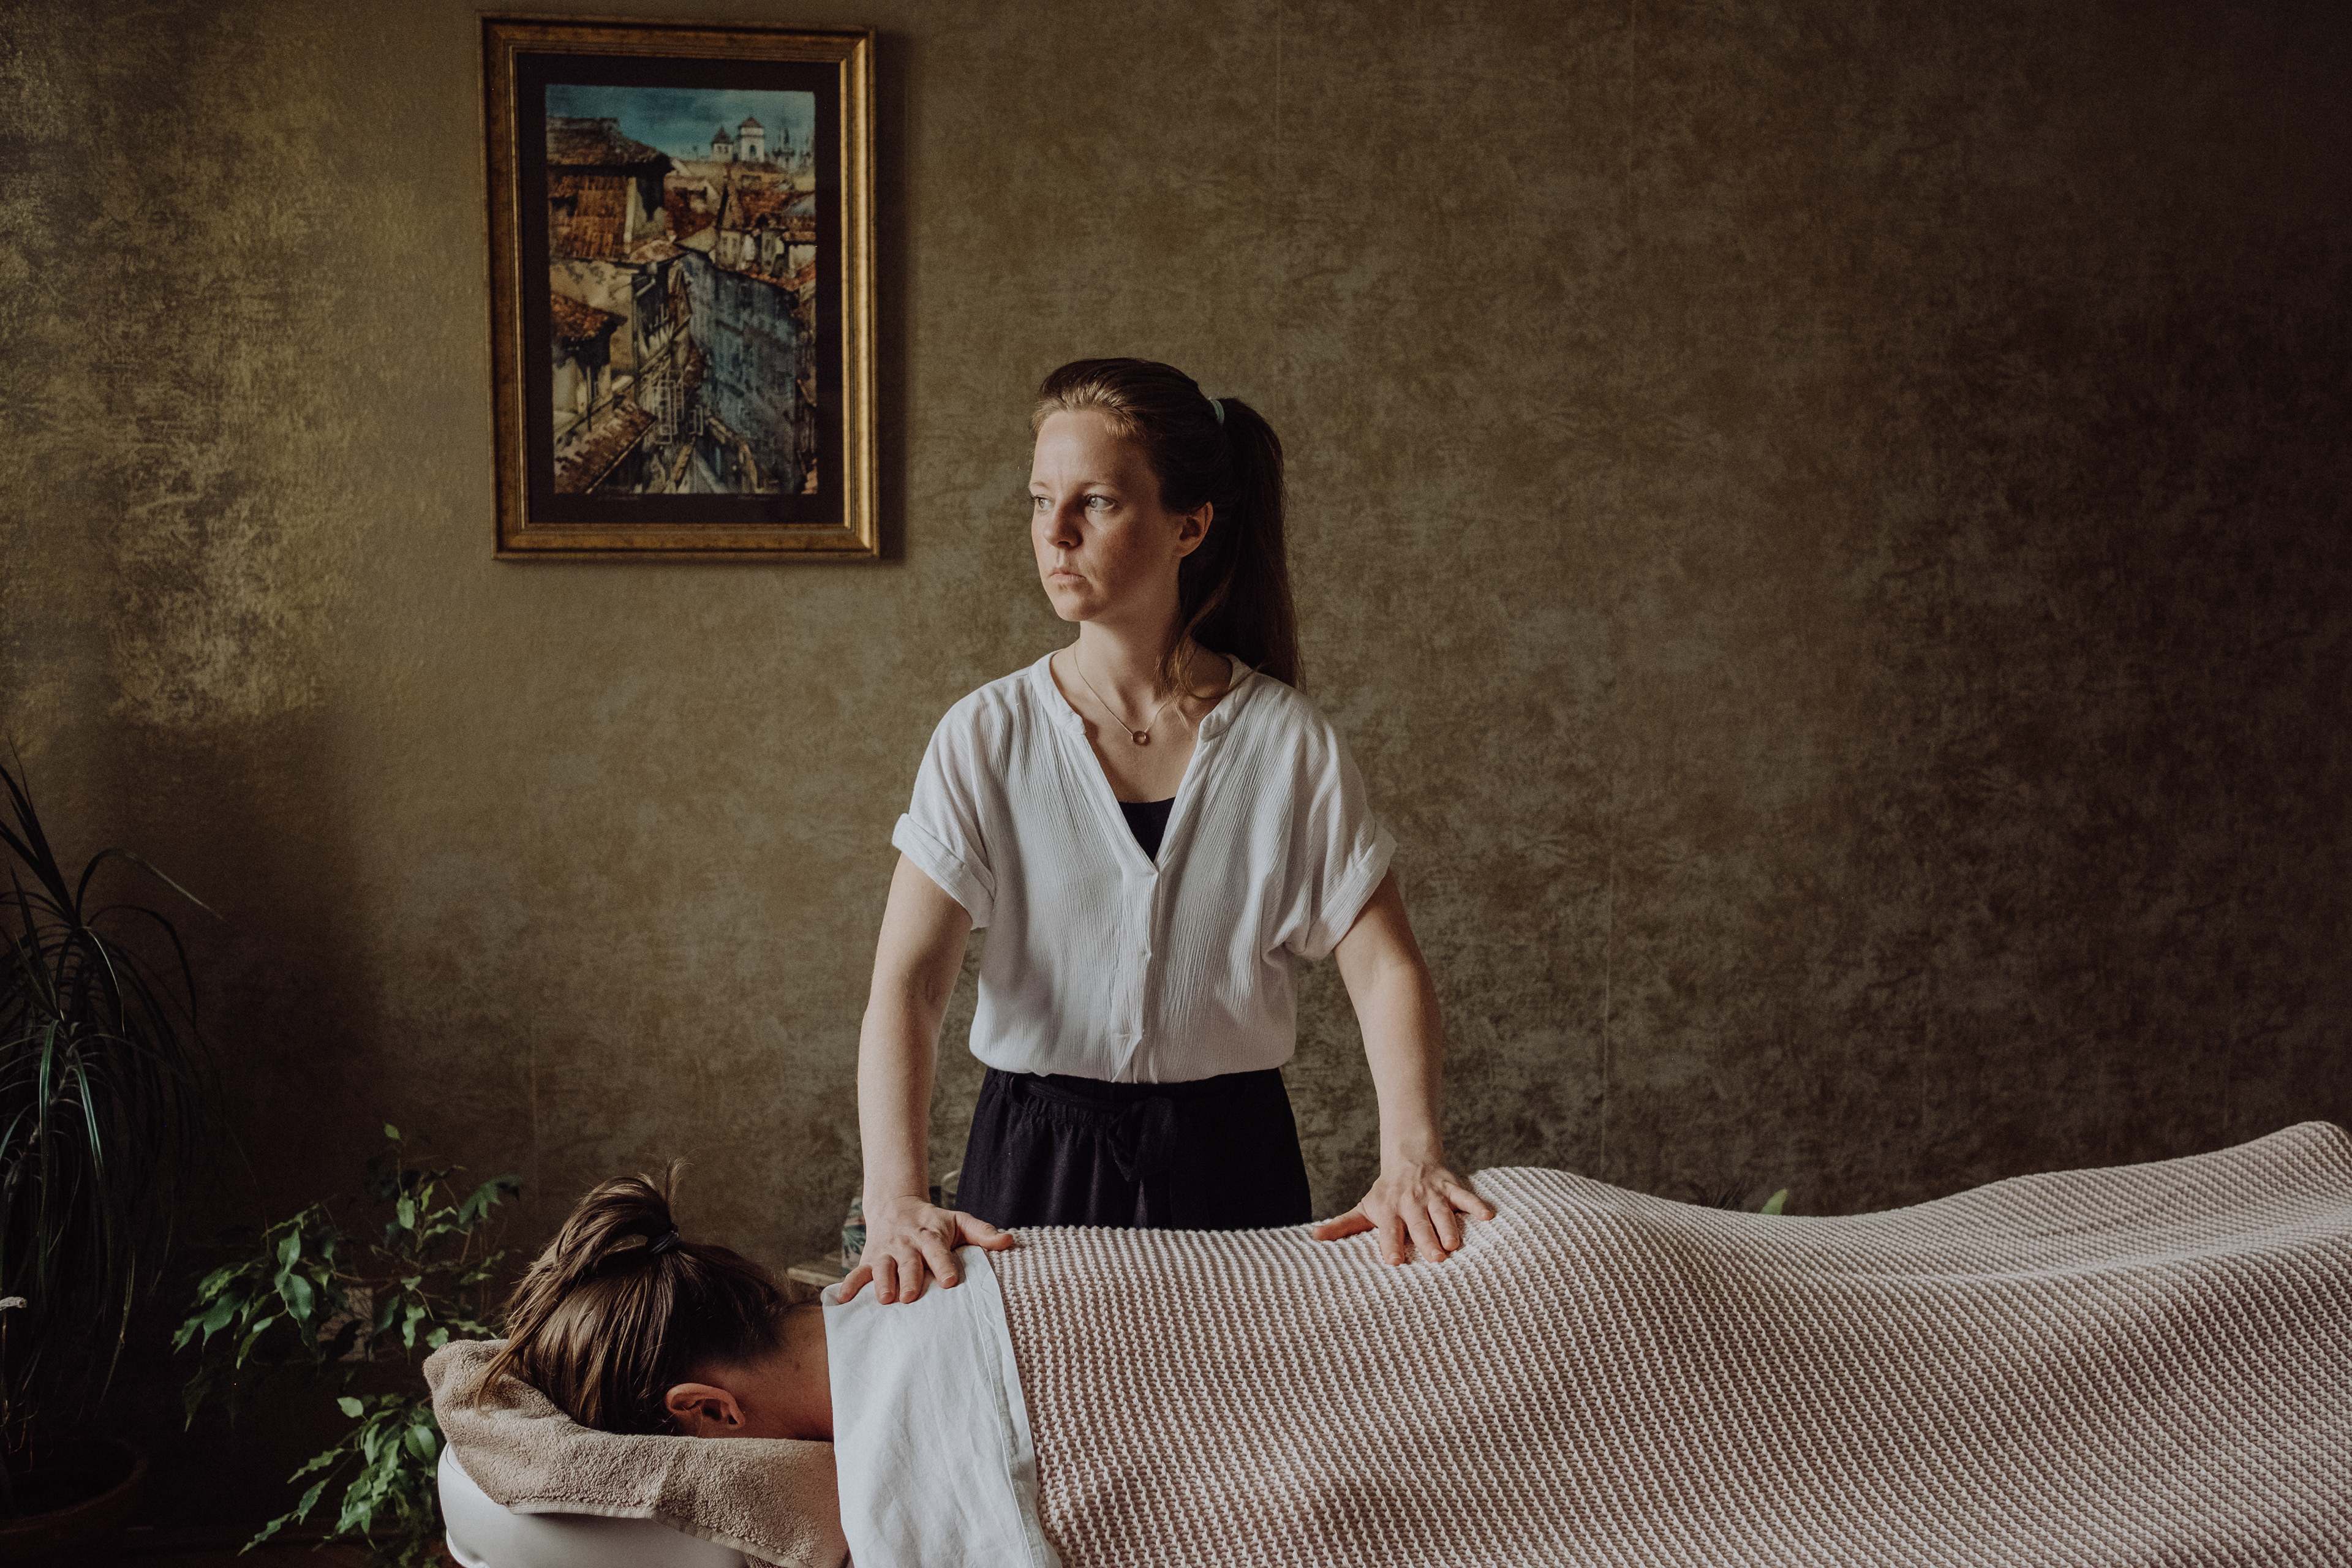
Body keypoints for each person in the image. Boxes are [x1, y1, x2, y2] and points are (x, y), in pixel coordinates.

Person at [853, 356, 1493, 1306]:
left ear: (1190, 525)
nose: (1056, 533)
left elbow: (1385, 968)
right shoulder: (985, 736)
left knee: (1243, 1402)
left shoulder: (1288, 744)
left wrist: (1413, 1155)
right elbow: (909, 987)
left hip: (1233, 1163)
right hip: (1034, 1164)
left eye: (1097, 503)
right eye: (1040, 502)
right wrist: (894, 1196)